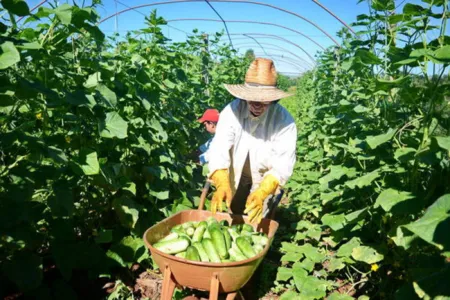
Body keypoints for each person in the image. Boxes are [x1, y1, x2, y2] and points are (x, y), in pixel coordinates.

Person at [207, 58, 297, 224]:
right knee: (233, 209)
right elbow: (219, 149)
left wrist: (262, 192)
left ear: (273, 99)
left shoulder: (284, 121)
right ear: (244, 96)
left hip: (265, 176)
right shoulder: (232, 111)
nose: (257, 104)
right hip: (235, 170)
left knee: (257, 217)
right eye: (252, 99)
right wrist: (221, 183)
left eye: (264, 100)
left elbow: (282, 164)